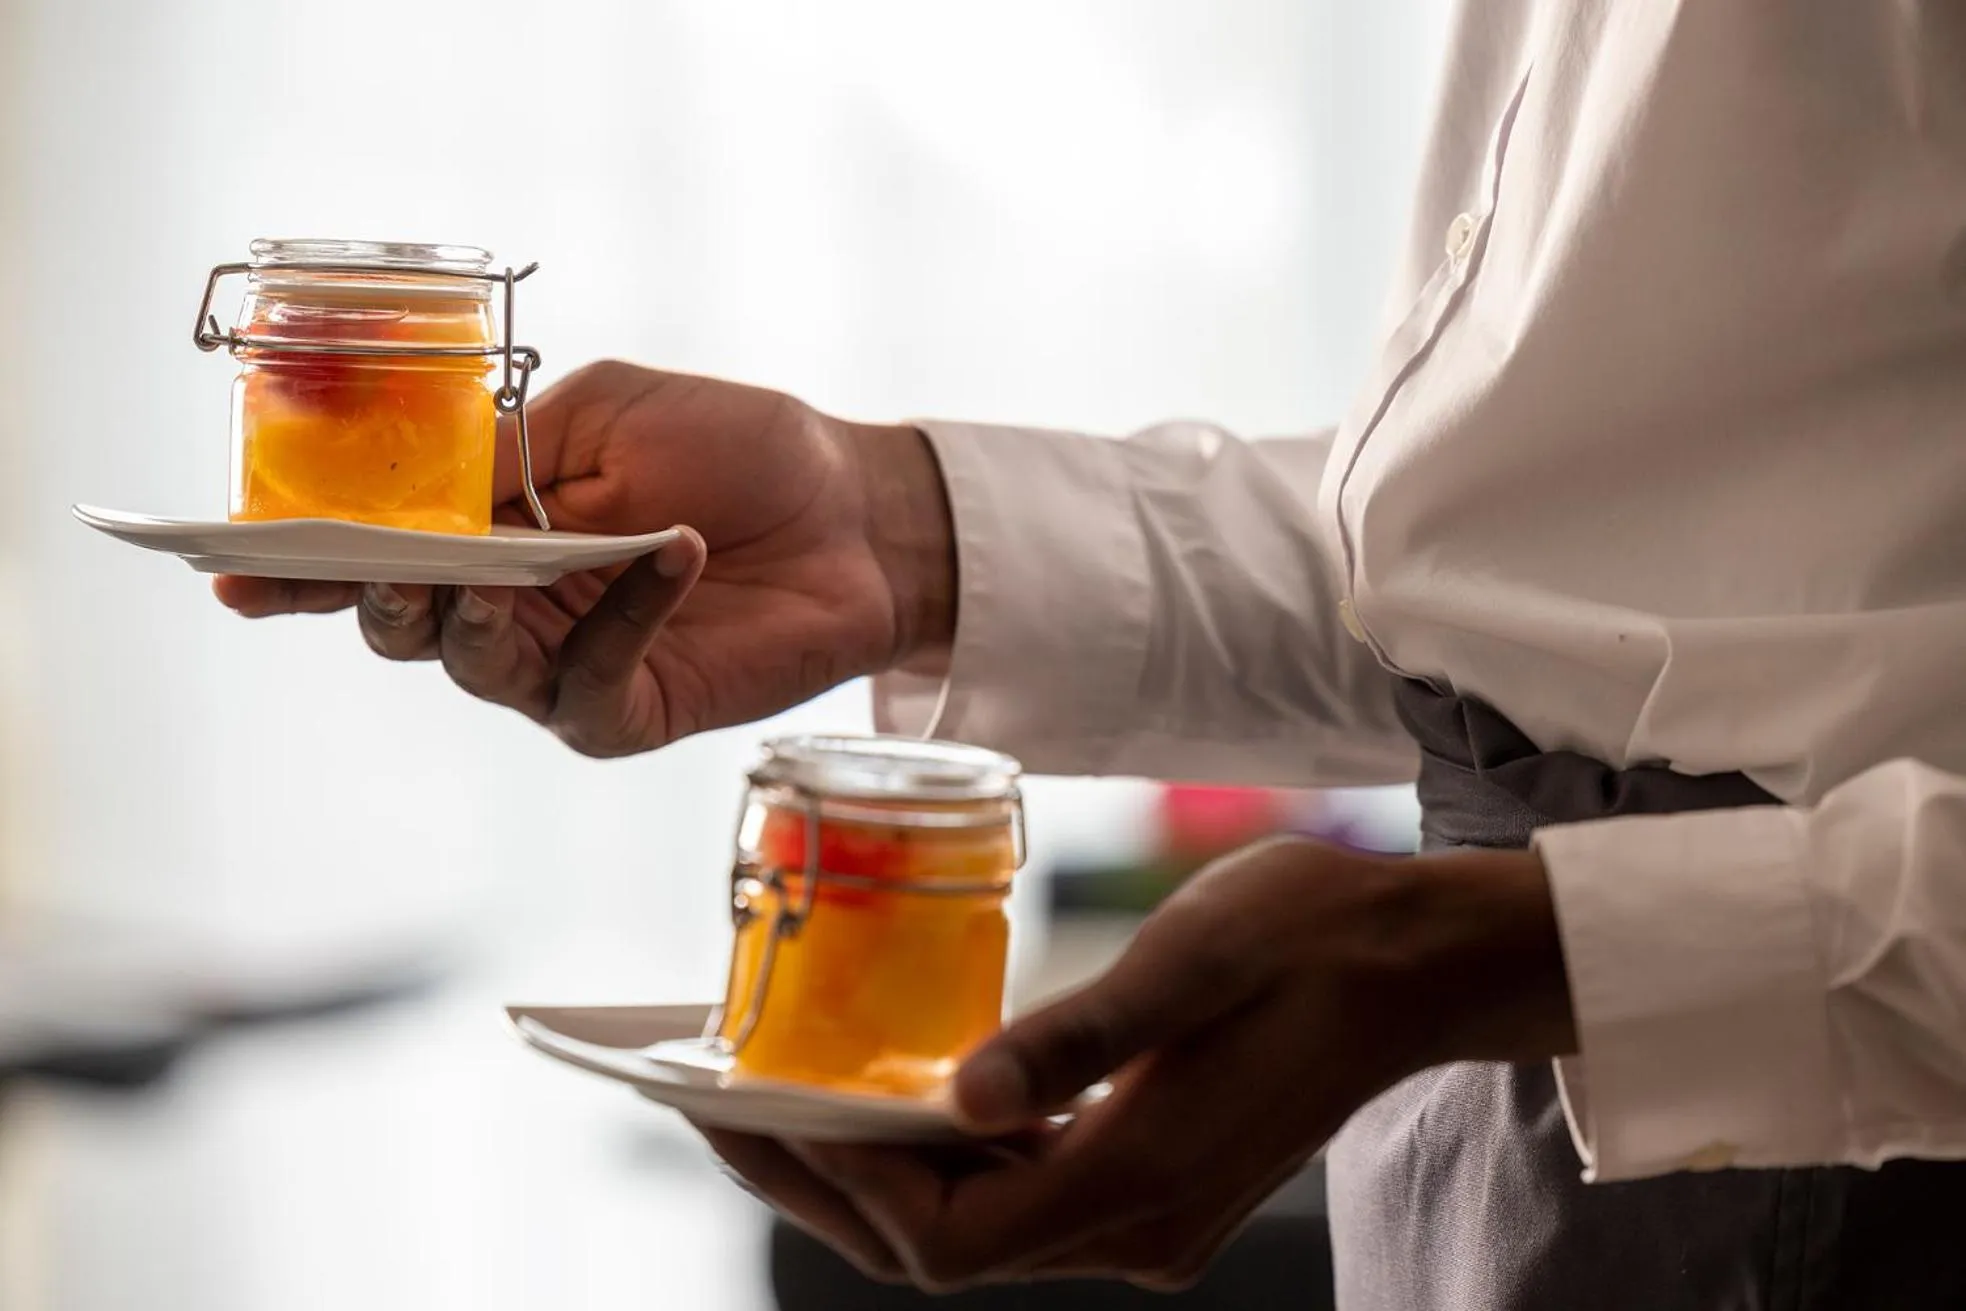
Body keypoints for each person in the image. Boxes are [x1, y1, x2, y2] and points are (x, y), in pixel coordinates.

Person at [218, 2, 1966, 1306]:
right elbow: (1582, 589)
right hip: (1509, 1120)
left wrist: (1549, 952)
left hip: (1856, 1162)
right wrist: (884, 525)